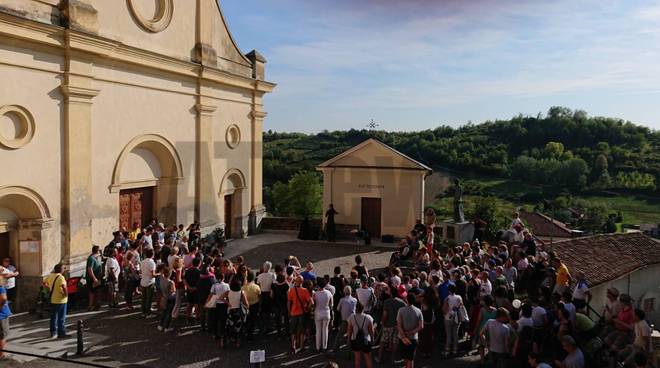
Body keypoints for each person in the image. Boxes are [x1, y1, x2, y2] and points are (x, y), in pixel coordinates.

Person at [377, 287, 406, 363]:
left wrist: (382, 323)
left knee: (383, 341)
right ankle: (392, 358)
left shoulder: (387, 302)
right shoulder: (402, 302)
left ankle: (379, 358)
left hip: (388, 325)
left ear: (391, 293)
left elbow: (385, 315)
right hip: (397, 325)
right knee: (395, 342)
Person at [397, 293, 424, 368]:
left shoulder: (401, 310)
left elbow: (399, 325)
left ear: (407, 300)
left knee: (405, 357)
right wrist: (411, 332)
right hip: (413, 338)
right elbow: (421, 326)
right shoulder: (418, 311)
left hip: (402, 337)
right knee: (411, 358)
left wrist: (403, 336)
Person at [288, 276, 313, 354]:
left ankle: (293, 346)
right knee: (302, 331)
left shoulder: (291, 291)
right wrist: (307, 308)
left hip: (293, 313)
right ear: (302, 282)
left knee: (293, 331)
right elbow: (311, 302)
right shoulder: (305, 291)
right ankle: (302, 347)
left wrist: (289, 311)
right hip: (302, 313)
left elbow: (289, 302)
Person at [44, 263, 68, 338]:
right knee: (61, 317)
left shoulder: (50, 276)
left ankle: (53, 333)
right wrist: (66, 294)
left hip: (53, 299)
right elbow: (64, 287)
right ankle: (61, 333)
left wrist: (49, 288)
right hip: (61, 300)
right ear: (61, 270)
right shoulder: (61, 277)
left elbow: (44, 282)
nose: (64, 269)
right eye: (64, 268)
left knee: (53, 317)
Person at [348, 301, 374, 368]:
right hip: (366, 340)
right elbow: (371, 331)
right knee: (368, 358)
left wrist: (348, 340)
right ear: (363, 308)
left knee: (357, 358)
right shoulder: (368, 317)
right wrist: (372, 340)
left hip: (355, 340)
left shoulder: (352, 317)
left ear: (356, 308)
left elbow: (350, 330)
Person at [224, 278, 249, 348]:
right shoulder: (241, 292)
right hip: (238, 311)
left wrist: (228, 302)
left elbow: (220, 298)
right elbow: (246, 303)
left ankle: (226, 340)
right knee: (239, 328)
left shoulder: (228, 292)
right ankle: (238, 342)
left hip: (230, 311)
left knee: (229, 326)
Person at [334, 285, 357, 353]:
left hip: (344, 320)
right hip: (352, 320)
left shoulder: (342, 300)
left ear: (344, 292)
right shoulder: (355, 300)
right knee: (351, 335)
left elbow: (338, 309)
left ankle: (335, 348)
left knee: (339, 335)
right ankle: (350, 350)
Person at [313, 278, 333, 352]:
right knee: (325, 330)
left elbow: (314, 304)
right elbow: (331, 304)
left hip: (318, 312)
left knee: (318, 330)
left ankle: (318, 347)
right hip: (326, 312)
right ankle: (324, 347)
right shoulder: (329, 293)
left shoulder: (315, 294)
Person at [443, 283, 463, 356]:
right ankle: (455, 349)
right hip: (457, 317)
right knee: (455, 334)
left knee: (448, 334)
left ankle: (447, 350)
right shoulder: (459, 297)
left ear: (449, 290)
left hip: (448, 317)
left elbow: (444, 310)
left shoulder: (447, 298)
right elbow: (461, 306)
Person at [140, 248, 158, 317]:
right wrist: (159, 273)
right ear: (152, 254)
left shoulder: (143, 261)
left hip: (143, 281)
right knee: (149, 298)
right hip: (150, 282)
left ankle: (143, 312)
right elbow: (153, 274)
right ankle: (148, 313)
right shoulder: (152, 262)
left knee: (144, 298)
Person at [158, 267, 176, 332]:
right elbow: (173, 291)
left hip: (164, 296)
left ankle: (161, 325)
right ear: (169, 274)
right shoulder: (171, 282)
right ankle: (166, 327)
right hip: (170, 298)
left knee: (164, 312)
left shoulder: (161, 279)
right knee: (169, 313)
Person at [85, 245, 103, 311]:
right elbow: (90, 269)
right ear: (97, 251)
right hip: (92, 279)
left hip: (97, 278)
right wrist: (94, 278)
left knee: (97, 291)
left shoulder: (96, 258)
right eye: (99, 251)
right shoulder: (91, 258)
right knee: (92, 292)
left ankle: (95, 305)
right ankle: (90, 306)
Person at [0, 275, 11, 359]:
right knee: (2, 336)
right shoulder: (1, 288)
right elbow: (3, 299)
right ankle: (2, 354)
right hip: (2, 315)